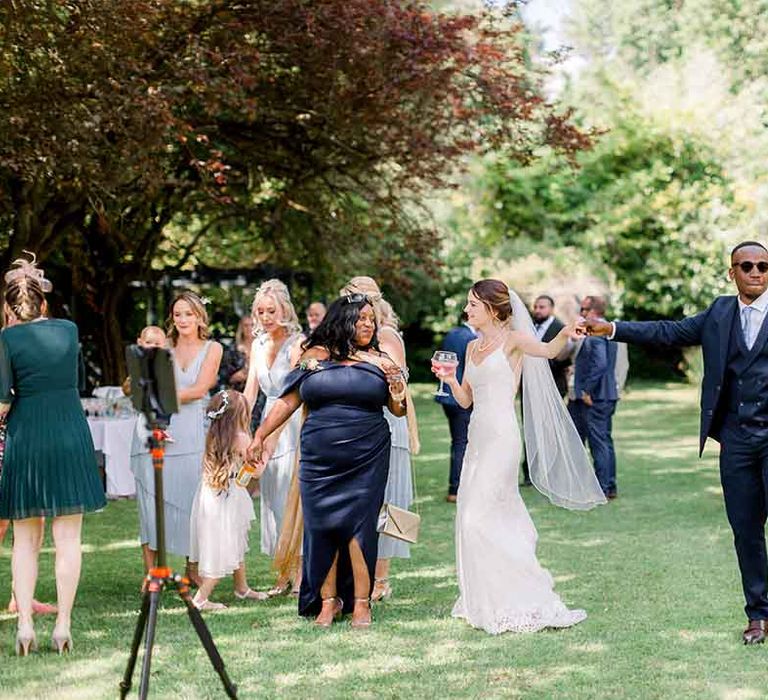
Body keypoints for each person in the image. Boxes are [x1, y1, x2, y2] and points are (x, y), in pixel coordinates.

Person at [584, 240, 768, 645]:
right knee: (746, 530)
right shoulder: (719, 313)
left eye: (763, 266)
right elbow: (668, 332)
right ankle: (758, 615)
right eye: (747, 266)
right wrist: (612, 329)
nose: (756, 272)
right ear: (732, 272)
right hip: (736, 439)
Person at [434, 279, 606, 635]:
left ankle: (521, 593)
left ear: (493, 309)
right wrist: (450, 379)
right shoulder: (470, 348)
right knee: (476, 514)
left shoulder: (512, 341)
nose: (467, 310)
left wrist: (568, 333)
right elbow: (466, 400)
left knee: (476, 518)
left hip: (502, 438)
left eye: (473, 305)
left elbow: (546, 350)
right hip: (477, 438)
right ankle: (487, 599)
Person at [249, 295, 407, 628]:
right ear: (341, 321)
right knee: (322, 528)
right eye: (360, 318)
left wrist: (396, 391)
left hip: (366, 454)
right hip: (319, 458)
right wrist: (260, 435)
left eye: (371, 319)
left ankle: (361, 603)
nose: (368, 324)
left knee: (360, 528)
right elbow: (287, 401)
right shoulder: (314, 357)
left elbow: (398, 410)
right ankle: (327, 601)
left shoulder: (380, 359)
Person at [0, 253, 107, 655]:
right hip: (68, 432)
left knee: (25, 541)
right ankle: (62, 625)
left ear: (11, 307)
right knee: (69, 539)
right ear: (44, 302)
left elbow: (2, 404)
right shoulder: (68, 329)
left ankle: (25, 626)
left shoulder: (7, 339)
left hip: (27, 435)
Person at [132, 291, 222, 585]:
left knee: (190, 500)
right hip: (157, 428)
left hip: (192, 429)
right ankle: (151, 573)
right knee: (151, 501)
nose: (183, 319)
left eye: (189, 313)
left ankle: (192, 569)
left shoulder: (213, 348)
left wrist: (157, 393)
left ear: (199, 317)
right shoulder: (161, 345)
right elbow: (135, 383)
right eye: (178, 314)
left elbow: (200, 389)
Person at [340, 276, 418, 603]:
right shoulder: (351, 339)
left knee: (391, 498)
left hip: (389, 419)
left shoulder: (386, 335)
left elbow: (397, 380)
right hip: (361, 423)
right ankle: (362, 571)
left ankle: (382, 576)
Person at [243, 279, 304, 594]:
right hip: (266, 422)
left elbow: (295, 393)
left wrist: (269, 436)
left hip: (292, 423)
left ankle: (301, 573)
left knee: (292, 498)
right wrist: (242, 431)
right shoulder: (257, 345)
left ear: (284, 310)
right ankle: (283, 573)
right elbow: (251, 392)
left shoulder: (298, 343)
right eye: (260, 311)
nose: (265, 317)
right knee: (272, 500)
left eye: (271, 310)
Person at [189, 391, 264, 610]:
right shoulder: (241, 438)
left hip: (211, 494)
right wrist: (267, 452)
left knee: (235, 541)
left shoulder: (215, 434)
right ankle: (201, 599)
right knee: (224, 548)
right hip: (227, 496)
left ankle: (242, 588)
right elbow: (256, 472)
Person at [568, 296, 619, 499]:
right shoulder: (606, 331)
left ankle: (602, 488)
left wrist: (587, 390)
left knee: (598, 442)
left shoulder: (597, 333)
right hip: (607, 394)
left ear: (593, 311)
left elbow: (600, 364)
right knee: (605, 440)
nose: (581, 312)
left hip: (596, 396)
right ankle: (610, 486)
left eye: (584, 309)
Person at [520, 295, 571, 486]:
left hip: (554, 387)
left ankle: (553, 473)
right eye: (536, 306)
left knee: (551, 429)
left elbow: (565, 359)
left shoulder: (559, 328)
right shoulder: (527, 327)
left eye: (542, 307)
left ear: (551, 308)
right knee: (529, 429)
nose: (537, 310)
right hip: (528, 388)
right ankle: (530, 473)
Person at [435, 312, 476, 503]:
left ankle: (456, 487)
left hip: (447, 397)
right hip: (461, 396)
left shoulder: (451, 334)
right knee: (462, 443)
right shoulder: (473, 338)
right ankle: (456, 488)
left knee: (457, 441)